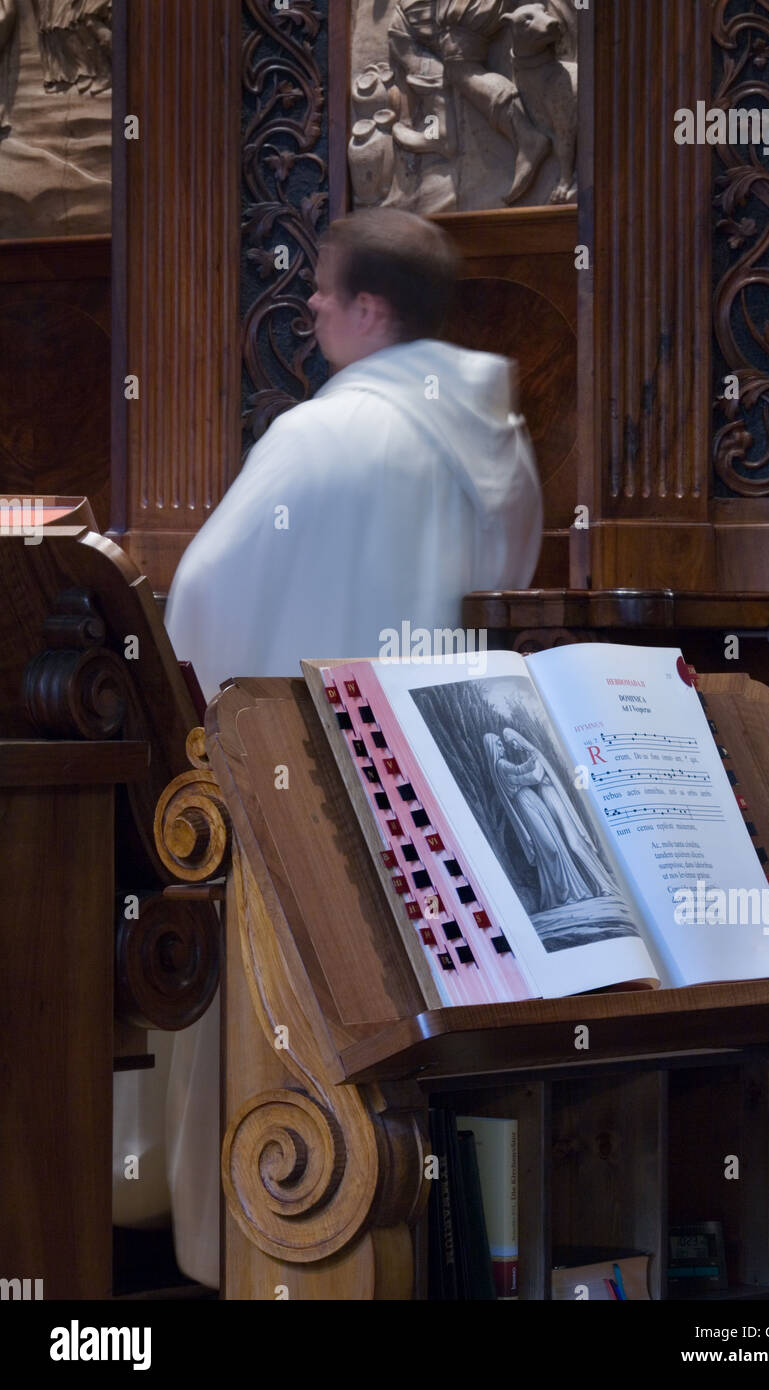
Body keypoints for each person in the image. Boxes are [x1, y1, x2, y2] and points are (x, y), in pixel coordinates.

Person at [123, 208, 543, 1290]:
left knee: (281, 1060)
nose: (305, 302)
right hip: (445, 797)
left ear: (369, 309)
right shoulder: (496, 441)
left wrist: (198, 710)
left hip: (299, 788)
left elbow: (205, 598)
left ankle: (261, 1267)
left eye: (322, 288)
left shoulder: (322, 433)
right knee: (419, 1068)